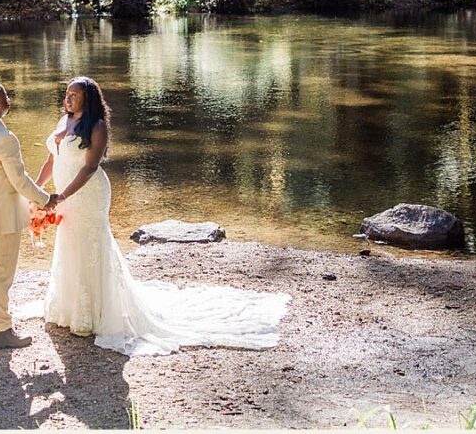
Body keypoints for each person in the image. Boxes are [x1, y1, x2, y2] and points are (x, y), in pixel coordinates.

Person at [30, 76, 289, 356]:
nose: (68, 98)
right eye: (67, 93)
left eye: (75, 94)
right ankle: (68, 308)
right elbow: (52, 158)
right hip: (64, 194)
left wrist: (62, 196)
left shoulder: (97, 126)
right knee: (69, 243)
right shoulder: (64, 121)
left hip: (86, 194)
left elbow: (90, 167)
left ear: (88, 98)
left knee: (90, 246)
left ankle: (93, 313)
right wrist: (37, 190)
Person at [0, 80, 54, 349]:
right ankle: (1, 329)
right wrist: (45, 199)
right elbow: (19, 181)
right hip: (2, 217)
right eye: (5, 96)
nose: (8, 100)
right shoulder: (5, 138)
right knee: (1, 275)